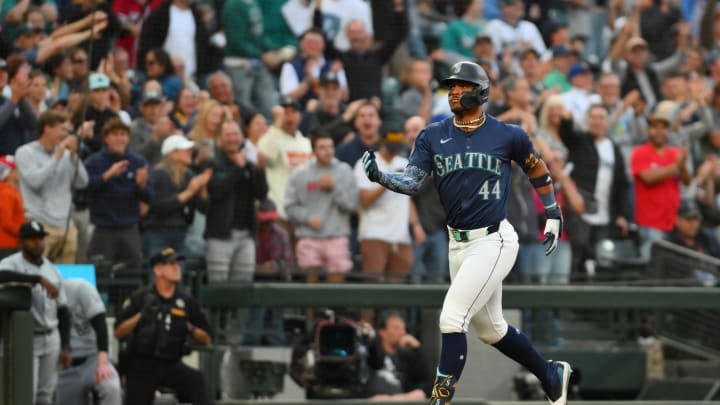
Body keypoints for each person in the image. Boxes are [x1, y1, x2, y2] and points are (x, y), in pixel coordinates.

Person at [359, 61, 571, 405]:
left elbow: (537, 168)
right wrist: (383, 177)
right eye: (451, 86)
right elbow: (413, 181)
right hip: (457, 244)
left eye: (463, 85)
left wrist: (552, 211)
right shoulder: (431, 134)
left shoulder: (508, 134)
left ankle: (440, 401)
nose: (454, 91)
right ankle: (549, 372)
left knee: (452, 317)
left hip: (494, 239)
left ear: (482, 92)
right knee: (491, 330)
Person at [114, 247, 212, 405]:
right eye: (171, 264)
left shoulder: (186, 302)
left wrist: (191, 329)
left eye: (178, 264)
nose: (176, 268)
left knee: (197, 380)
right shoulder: (140, 297)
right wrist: (140, 315)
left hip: (171, 363)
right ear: (158, 270)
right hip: (142, 364)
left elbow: (207, 338)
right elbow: (118, 332)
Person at [0, 221, 70, 405]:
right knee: (25, 394)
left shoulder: (52, 269)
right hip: (25, 338)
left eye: (40, 238)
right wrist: (37, 279)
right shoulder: (11, 263)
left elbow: (63, 310)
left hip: (51, 337)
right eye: (32, 239)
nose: (37, 243)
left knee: (45, 396)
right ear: (22, 241)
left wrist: (66, 346)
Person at [16, 111, 89, 264]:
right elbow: (34, 181)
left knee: (66, 278)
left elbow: (83, 183)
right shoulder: (25, 152)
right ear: (47, 128)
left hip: (66, 225)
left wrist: (74, 156)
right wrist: (57, 158)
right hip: (40, 224)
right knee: (37, 272)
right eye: (62, 129)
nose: (66, 134)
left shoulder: (67, 154)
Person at [285, 132, 358, 283]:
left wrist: (334, 187)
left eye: (330, 146)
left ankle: (333, 308)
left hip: (336, 236)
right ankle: (310, 308)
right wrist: (307, 218)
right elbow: (289, 206)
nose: (328, 151)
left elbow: (352, 205)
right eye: (322, 147)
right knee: (310, 290)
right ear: (313, 151)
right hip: (308, 236)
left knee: (336, 288)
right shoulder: (300, 174)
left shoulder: (344, 171)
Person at [56, 278, 122, 405]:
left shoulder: (79, 288)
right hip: (65, 367)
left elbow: (101, 325)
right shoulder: (39, 298)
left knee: (111, 387)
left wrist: (102, 363)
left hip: (92, 360)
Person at [365, 311, 430, 401]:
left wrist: (417, 349)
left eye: (403, 328)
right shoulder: (373, 351)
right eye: (396, 328)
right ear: (382, 332)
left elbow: (425, 381)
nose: (402, 332)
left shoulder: (407, 356)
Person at [0, 155, 25, 259]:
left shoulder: (6, 191)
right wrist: (24, 232)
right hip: (7, 244)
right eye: (16, 169)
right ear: (9, 173)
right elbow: (7, 222)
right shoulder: (7, 192)